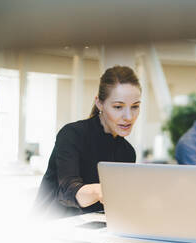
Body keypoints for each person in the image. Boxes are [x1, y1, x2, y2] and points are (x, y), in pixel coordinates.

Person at [33, 65, 141, 218]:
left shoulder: (127, 152)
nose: (129, 117)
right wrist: (101, 191)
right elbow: (68, 191)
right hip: (51, 228)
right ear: (99, 103)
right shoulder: (72, 134)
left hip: (94, 232)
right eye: (118, 107)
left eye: (135, 107)